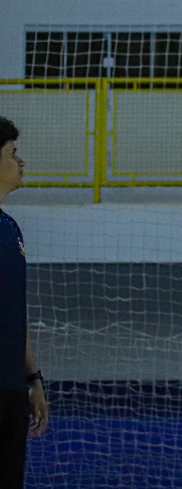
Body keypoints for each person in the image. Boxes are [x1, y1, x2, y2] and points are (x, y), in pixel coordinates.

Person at [0, 117, 49, 489]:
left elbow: (15, 313)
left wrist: (33, 379)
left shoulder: (10, 227)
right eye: (13, 154)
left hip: (10, 390)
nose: (22, 162)